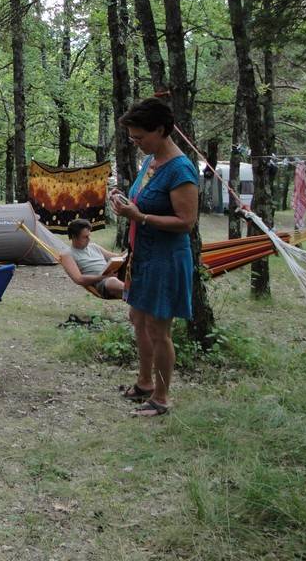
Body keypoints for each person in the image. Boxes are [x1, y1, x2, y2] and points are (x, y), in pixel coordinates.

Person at [109, 97, 198, 417]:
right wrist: (123, 203)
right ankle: (145, 382)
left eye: (140, 137)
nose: (136, 144)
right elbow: (142, 203)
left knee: (160, 330)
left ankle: (161, 398)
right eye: (132, 138)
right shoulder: (151, 161)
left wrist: (140, 217)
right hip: (142, 255)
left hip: (166, 258)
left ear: (160, 130)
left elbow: (186, 222)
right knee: (137, 319)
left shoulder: (181, 169)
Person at [60, 218, 124, 300]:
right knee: (112, 281)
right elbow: (79, 279)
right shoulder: (67, 254)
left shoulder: (94, 246)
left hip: (113, 275)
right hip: (100, 283)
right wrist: (103, 277)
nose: (89, 239)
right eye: (85, 237)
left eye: (89, 236)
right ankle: (136, 293)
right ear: (74, 237)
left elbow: (117, 257)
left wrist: (130, 250)